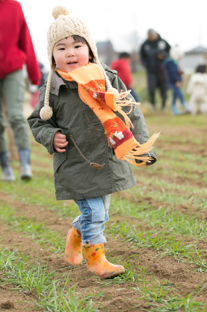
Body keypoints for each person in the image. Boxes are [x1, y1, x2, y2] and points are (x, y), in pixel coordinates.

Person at [28, 6, 158, 279]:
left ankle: (75, 237)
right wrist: (50, 136)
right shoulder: (51, 89)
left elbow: (131, 111)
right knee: (95, 212)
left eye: (77, 45)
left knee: (100, 212)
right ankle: (96, 259)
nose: (70, 52)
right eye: (61, 48)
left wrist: (143, 146)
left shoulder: (106, 79)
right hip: (76, 162)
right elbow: (37, 121)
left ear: (90, 49)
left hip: (107, 160)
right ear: (52, 55)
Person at [0, 0, 41, 181]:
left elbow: (26, 40)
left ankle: (25, 164)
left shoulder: (13, 6)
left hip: (12, 70)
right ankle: (6, 168)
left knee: (16, 116)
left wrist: (34, 77)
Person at [140, 29, 171, 111]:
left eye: (152, 36)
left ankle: (163, 105)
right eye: (149, 36)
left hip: (162, 70)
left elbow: (169, 52)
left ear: (155, 35)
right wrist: (146, 65)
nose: (151, 37)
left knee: (163, 89)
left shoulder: (163, 42)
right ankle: (153, 105)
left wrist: (164, 56)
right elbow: (142, 57)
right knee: (151, 89)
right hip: (151, 71)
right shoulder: (145, 44)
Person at [163, 45, 189, 115]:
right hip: (174, 82)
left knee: (176, 94)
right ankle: (181, 105)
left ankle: (177, 106)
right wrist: (177, 80)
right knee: (177, 93)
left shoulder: (172, 62)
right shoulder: (171, 63)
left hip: (173, 81)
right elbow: (173, 73)